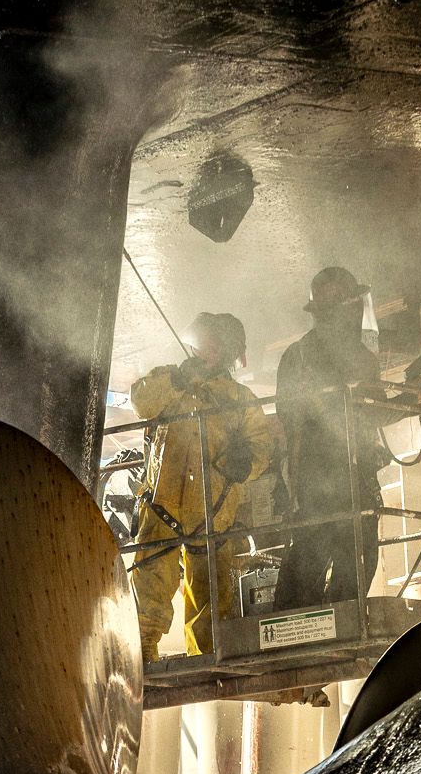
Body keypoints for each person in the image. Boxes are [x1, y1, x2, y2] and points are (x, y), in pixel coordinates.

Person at [129, 312, 278, 661]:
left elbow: (261, 447)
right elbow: (140, 400)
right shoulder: (171, 381)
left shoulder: (241, 399)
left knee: (211, 595)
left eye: (214, 344)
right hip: (162, 504)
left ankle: (207, 660)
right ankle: (141, 656)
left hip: (212, 512)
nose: (206, 351)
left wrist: (247, 461)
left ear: (227, 351)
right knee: (150, 584)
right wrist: (177, 378)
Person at [274, 265, 388, 612]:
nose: (356, 311)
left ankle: (344, 625)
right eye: (351, 303)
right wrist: (291, 484)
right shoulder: (300, 356)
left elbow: (373, 412)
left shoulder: (363, 358)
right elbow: (290, 421)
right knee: (309, 558)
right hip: (317, 476)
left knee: (361, 555)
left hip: (358, 475)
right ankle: (292, 627)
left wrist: (404, 401)